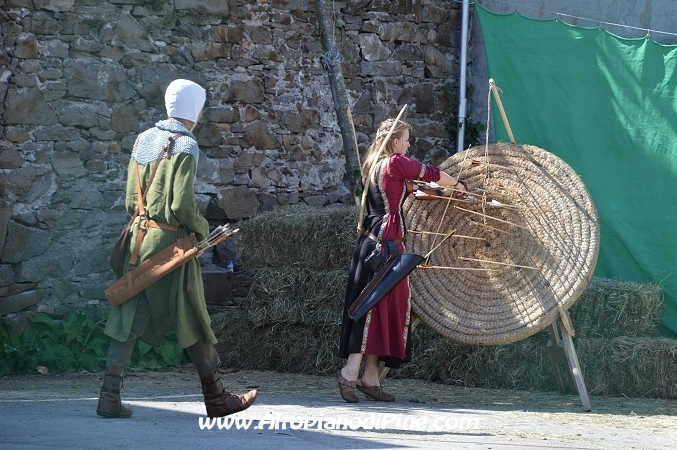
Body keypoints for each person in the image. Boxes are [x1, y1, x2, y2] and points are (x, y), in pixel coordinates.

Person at [97, 79, 257, 418]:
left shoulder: (143, 140)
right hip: (170, 245)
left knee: (128, 317)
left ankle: (108, 396)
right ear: (195, 110)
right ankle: (217, 400)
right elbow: (183, 206)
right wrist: (202, 230)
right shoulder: (185, 144)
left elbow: (130, 201)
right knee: (193, 315)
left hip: (137, 241)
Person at [337, 117, 466, 403]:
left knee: (383, 311)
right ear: (395, 142)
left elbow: (412, 190)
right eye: (406, 139)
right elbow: (430, 173)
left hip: (375, 244)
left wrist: (446, 193)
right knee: (369, 308)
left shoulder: (375, 165)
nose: (409, 145)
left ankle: (370, 377)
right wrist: (459, 183)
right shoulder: (395, 161)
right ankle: (350, 371)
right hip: (382, 247)